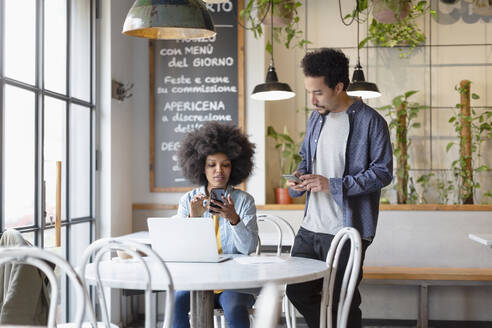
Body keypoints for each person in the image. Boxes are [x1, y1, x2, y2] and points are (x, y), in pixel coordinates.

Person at [285, 48, 393, 328]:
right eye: (309, 91)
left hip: (348, 228)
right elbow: (307, 161)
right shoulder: (315, 119)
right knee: (296, 290)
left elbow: (382, 173)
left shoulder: (371, 122)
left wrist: (332, 185)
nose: (312, 100)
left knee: (343, 298)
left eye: (318, 92)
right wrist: (300, 178)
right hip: (311, 227)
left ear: (339, 86)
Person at [174, 122, 258, 328]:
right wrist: (193, 219)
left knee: (235, 307)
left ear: (235, 167)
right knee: (175, 301)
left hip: (235, 282)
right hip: (199, 280)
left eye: (225, 164)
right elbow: (180, 251)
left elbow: (248, 249)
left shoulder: (244, 201)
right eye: (212, 164)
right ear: (201, 166)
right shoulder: (188, 201)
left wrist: (233, 219)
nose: (219, 170)